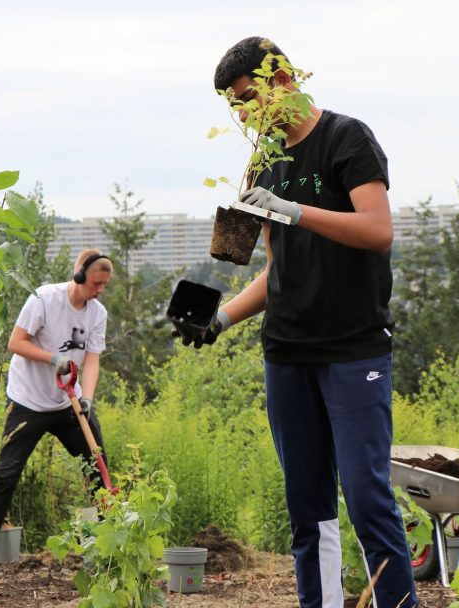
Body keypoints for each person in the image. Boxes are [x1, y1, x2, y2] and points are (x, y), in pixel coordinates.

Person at [177, 37, 418, 607]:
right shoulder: (264, 161)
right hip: (287, 353)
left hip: (353, 348)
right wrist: (221, 318)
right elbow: (278, 268)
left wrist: (296, 211)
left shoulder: (346, 138)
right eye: (233, 107)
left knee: (365, 496)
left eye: (246, 99)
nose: (242, 115)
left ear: (282, 80)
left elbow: (378, 230)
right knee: (308, 506)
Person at [0, 248, 113, 565]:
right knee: (6, 474)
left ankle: (107, 548)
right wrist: (52, 358)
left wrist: (88, 398)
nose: (100, 290)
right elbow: (16, 343)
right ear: (79, 276)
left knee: (98, 467)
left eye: (105, 285)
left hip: (68, 403)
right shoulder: (44, 299)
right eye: (96, 283)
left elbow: (92, 359)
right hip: (28, 400)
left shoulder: (97, 314)